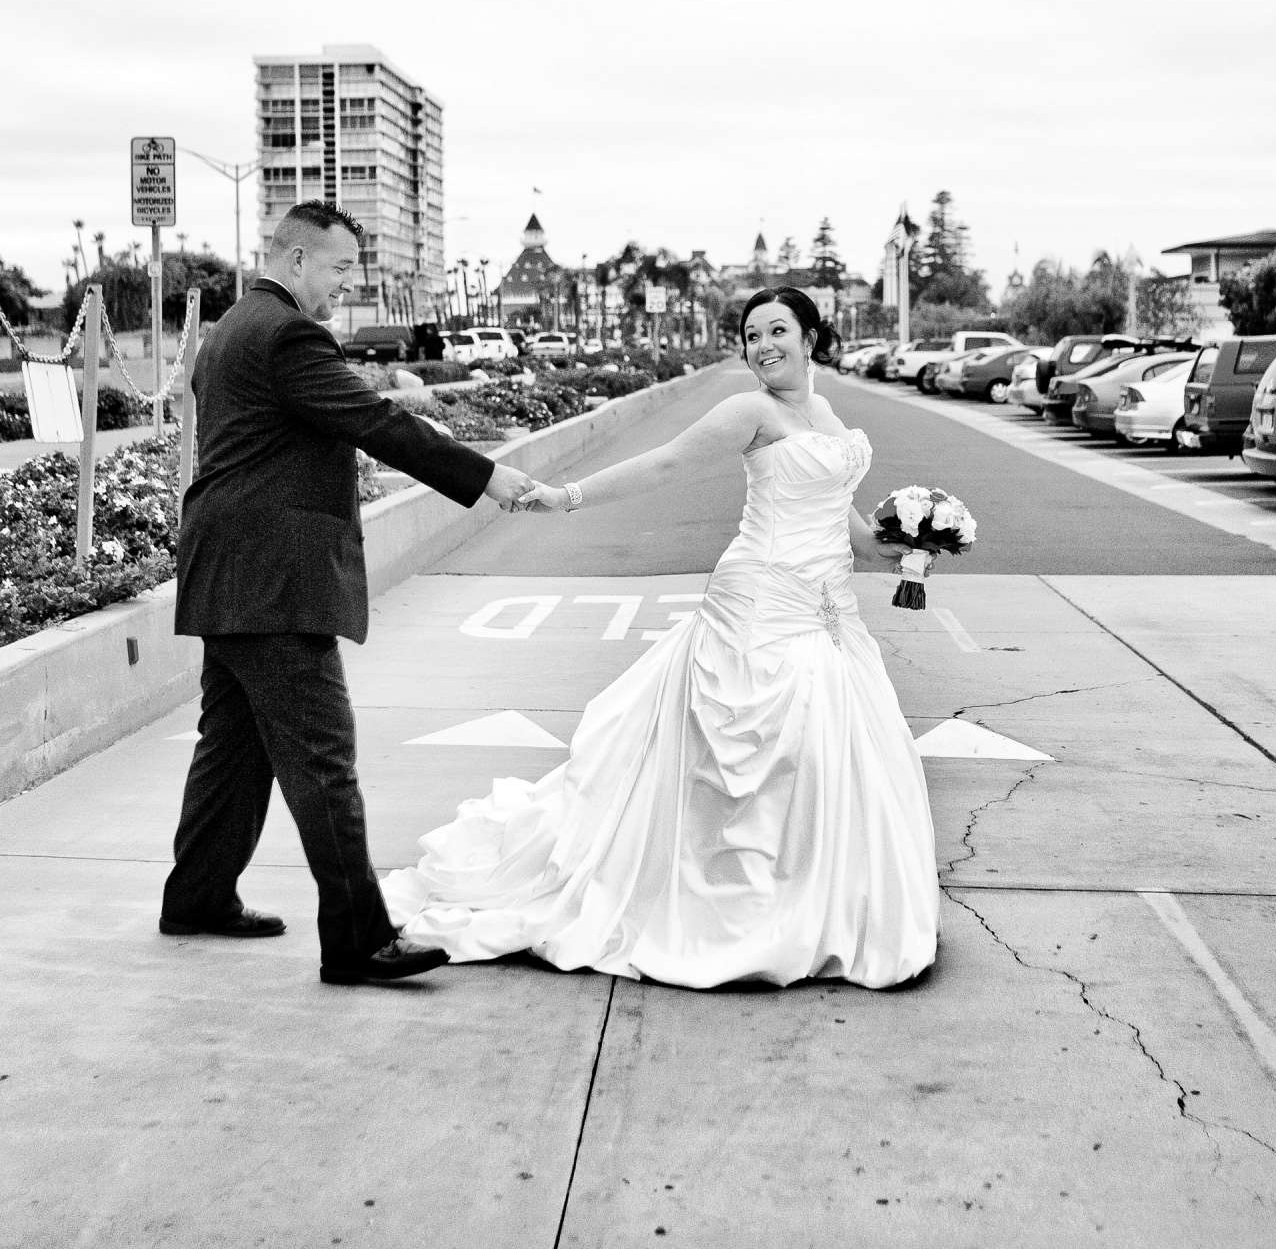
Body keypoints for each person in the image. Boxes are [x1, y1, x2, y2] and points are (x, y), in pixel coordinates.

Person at [379, 286, 942, 990]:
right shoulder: (751, 410)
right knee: (768, 755)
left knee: (829, 753)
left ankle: (823, 901)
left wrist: (898, 547)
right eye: (750, 335)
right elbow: (668, 461)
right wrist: (569, 496)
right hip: (760, 606)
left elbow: (841, 515)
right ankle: (744, 908)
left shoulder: (825, 413)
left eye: (777, 331)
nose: (763, 346)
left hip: (828, 612)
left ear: (811, 336)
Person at [162, 200, 542, 986]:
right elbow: (374, 422)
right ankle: (359, 938)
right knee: (321, 760)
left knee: (232, 751)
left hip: (229, 570)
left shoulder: (233, 327)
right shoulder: (288, 334)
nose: (343, 285)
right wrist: (488, 476)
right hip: (275, 581)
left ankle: (197, 896)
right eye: (337, 269)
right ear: (295, 260)